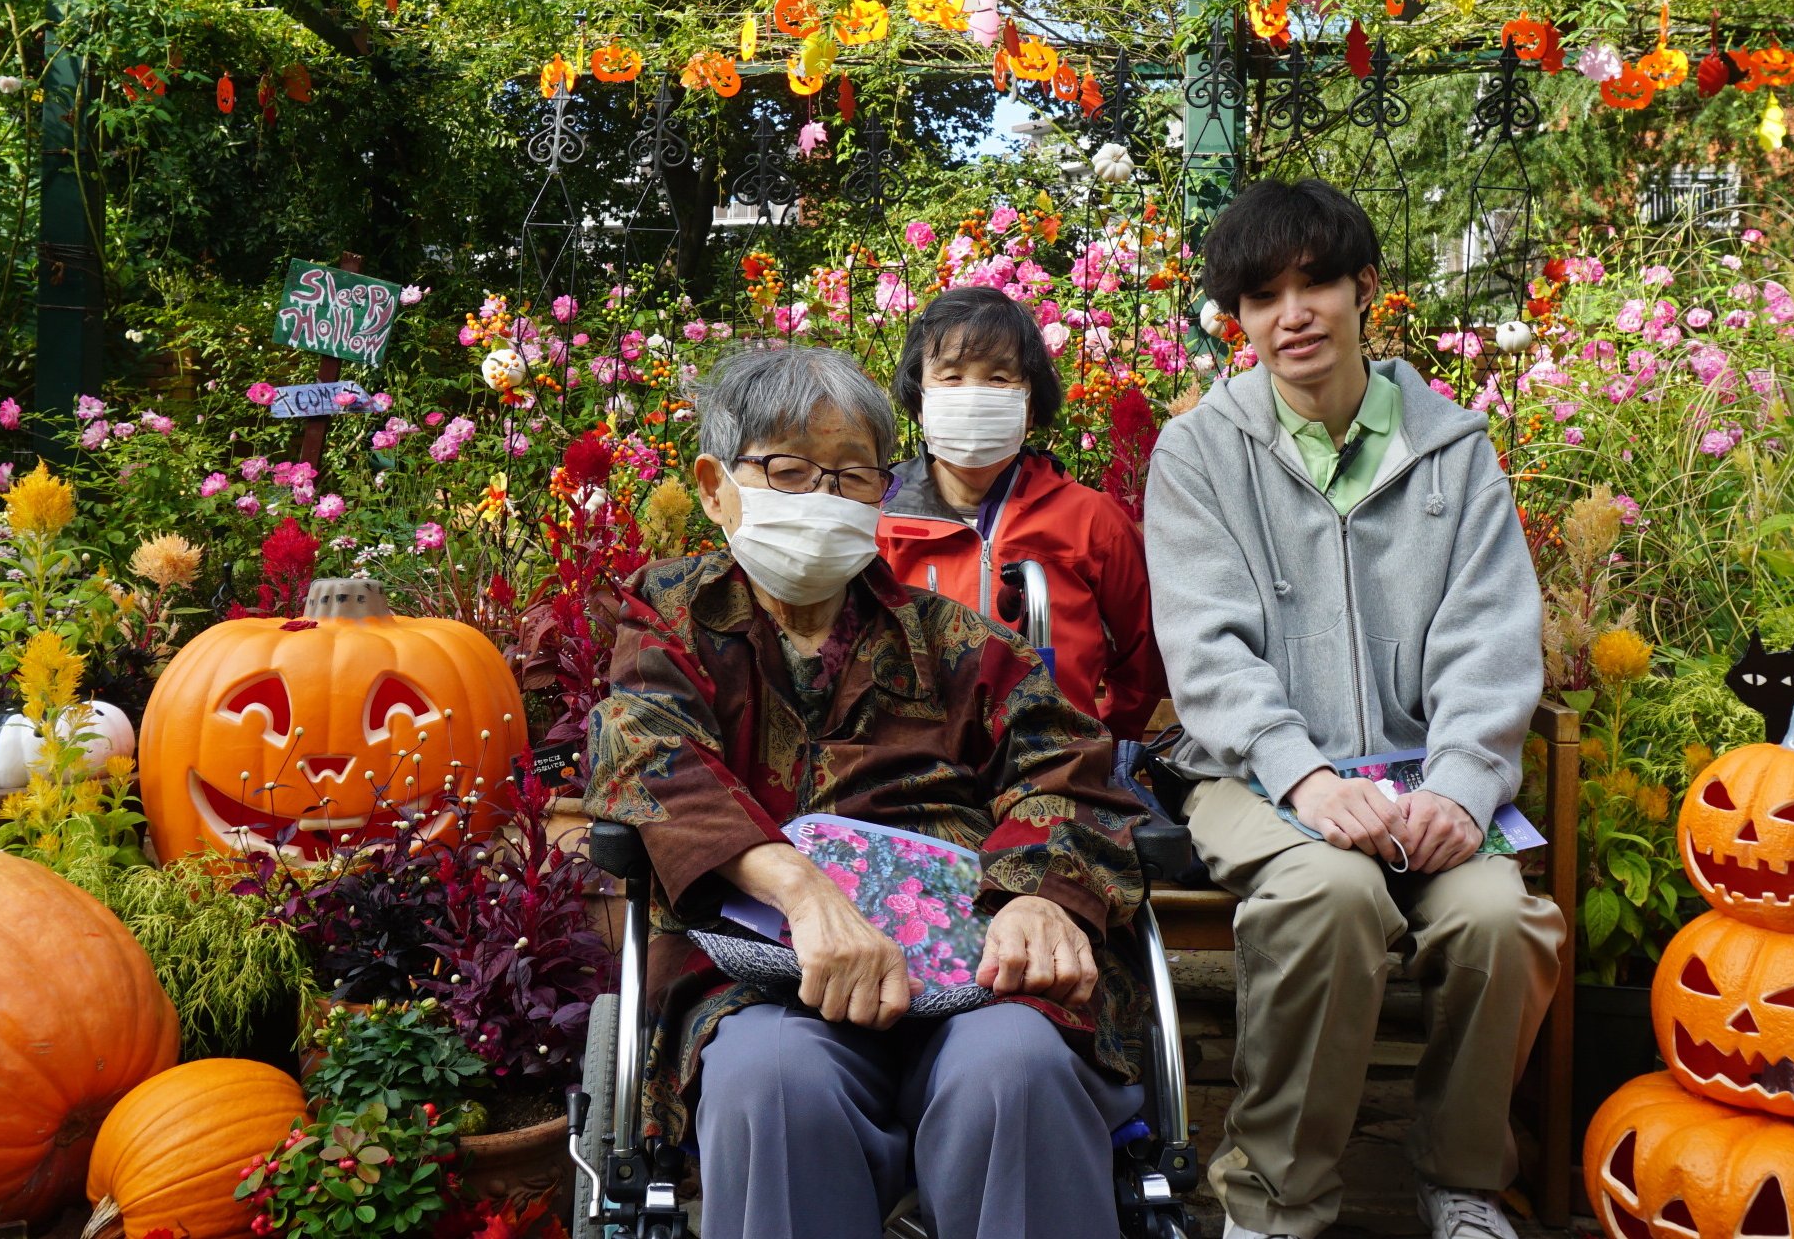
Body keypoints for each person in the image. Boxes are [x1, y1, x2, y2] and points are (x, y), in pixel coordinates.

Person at [582, 343, 1151, 1239]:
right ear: (714, 484)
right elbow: (643, 750)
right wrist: (806, 896)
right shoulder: (671, 614)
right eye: (788, 470)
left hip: (973, 965)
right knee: (771, 1083)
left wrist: (1039, 897)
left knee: (1015, 1069)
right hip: (762, 976)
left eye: (850, 476)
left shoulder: (953, 640)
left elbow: (1066, 764)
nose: (820, 498)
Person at [1142, 179, 1566, 1239]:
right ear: (1234, 318)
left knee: (1497, 916)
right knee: (1328, 892)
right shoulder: (1197, 454)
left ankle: (1462, 1179)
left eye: (1314, 281)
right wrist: (1307, 775)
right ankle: (1275, 1202)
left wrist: (1465, 785)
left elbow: (1490, 637)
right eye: (1259, 294)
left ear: (1363, 287)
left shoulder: (1453, 448)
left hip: (1424, 770)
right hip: (1253, 774)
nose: (1291, 313)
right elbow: (1207, 649)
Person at [879, 284, 1164, 738]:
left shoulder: (1094, 522)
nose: (973, 394)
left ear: (1031, 405)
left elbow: (1145, 658)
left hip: (1055, 775)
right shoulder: (878, 520)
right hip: (919, 780)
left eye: (998, 378)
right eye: (951, 377)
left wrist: (1097, 746)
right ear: (918, 400)